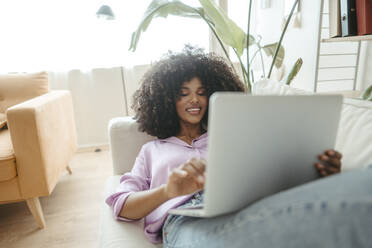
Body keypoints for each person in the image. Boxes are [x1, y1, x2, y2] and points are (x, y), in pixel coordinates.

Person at [106, 46, 372, 248]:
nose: (194, 100)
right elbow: (121, 205)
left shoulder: (235, 134)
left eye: (201, 92)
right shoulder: (153, 150)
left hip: (247, 206)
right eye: (183, 93)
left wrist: (320, 172)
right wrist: (168, 190)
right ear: (166, 100)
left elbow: (274, 175)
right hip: (186, 218)